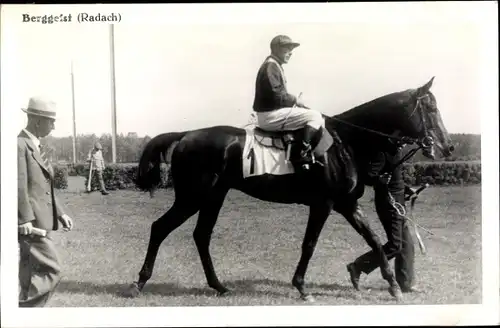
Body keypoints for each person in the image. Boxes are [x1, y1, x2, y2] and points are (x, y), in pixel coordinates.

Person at [18, 96, 74, 307]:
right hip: (30, 225)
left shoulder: (34, 145)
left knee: (29, 275)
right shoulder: (19, 145)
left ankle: (23, 314)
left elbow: (44, 187)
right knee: (53, 269)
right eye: (50, 121)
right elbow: (19, 185)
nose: (53, 125)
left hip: (40, 220)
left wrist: (61, 213)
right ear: (36, 120)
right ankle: (23, 312)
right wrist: (25, 220)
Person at [346, 146, 420, 293]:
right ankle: (358, 266)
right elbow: (367, 176)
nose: (405, 143)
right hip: (388, 203)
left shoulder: (395, 151)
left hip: (398, 201)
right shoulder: (381, 152)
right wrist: (379, 180)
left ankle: (405, 284)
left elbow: (393, 175)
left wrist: (406, 189)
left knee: (407, 245)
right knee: (395, 245)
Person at [252, 34, 326, 167]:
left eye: (291, 49)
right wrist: (296, 100)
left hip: (271, 113)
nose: (290, 53)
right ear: (276, 49)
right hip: (269, 116)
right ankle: (300, 154)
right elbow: (276, 94)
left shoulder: (274, 65)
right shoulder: (271, 66)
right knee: (315, 116)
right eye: (287, 49)